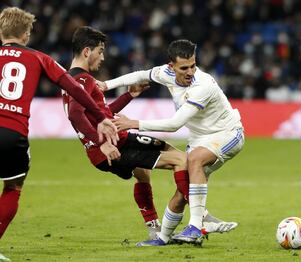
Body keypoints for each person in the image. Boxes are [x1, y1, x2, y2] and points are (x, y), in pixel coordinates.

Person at [66, 27, 236, 247]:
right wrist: (102, 143)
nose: (103, 56)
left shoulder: (69, 81)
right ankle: (201, 217)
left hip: (105, 148)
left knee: (143, 173)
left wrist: (128, 95)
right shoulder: (84, 80)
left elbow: (102, 113)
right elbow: (75, 115)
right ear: (87, 51)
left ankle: (154, 228)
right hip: (114, 144)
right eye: (100, 51)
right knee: (183, 160)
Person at [0, 7, 119, 261]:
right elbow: (74, 88)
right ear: (26, 34)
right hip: (12, 133)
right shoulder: (40, 58)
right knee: (13, 186)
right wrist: (100, 119)